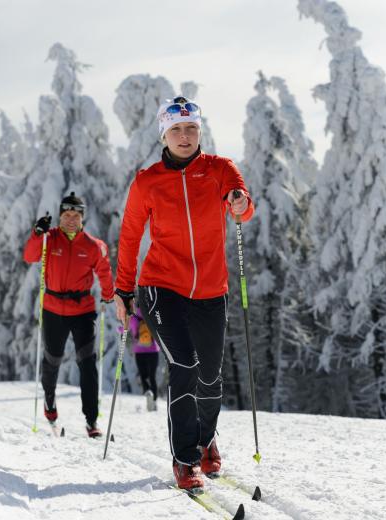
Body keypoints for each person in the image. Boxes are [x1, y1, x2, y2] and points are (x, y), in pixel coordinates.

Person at [114, 96, 254, 490]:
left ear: (199, 131)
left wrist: (240, 203)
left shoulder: (219, 169)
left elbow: (242, 204)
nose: (185, 135)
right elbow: (129, 237)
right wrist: (122, 290)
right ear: (164, 133)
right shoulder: (147, 181)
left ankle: (207, 438)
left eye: (191, 128)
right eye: (176, 129)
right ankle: (185, 459)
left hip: (210, 289)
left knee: (210, 377)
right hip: (161, 287)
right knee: (186, 366)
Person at [24, 192, 115, 438]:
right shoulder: (49, 239)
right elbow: (30, 256)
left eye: (76, 215)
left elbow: (104, 272)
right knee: (52, 361)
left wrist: (108, 294)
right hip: (53, 309)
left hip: (83, 310)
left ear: (82, 217)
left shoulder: (94, 246)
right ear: (60, 217)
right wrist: (37, 233)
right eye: (66, 215)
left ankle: (92, 420)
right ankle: (50, 406)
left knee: (87, 364)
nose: (71, 219)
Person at [119, 306, 161, 411]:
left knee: (143, 375)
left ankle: (147, 390)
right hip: (153, 350)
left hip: (139, 351)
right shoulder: (152, 316)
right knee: (152, 376)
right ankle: (154, 401)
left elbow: (123, 328)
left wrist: (118, 329)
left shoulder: (133, 318)